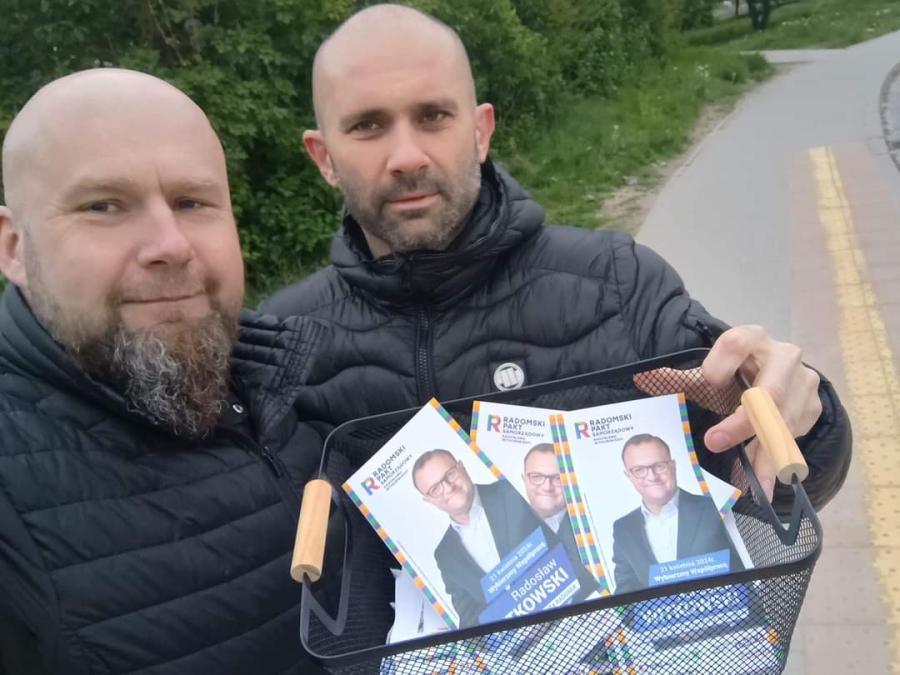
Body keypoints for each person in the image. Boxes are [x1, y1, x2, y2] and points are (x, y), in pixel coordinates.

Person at [262, 3, 850, 517]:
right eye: (367, 126)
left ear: (481, 131)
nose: (406, 156)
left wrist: (806, 423)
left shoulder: (618, 284)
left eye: (433, 116)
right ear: (324, 157)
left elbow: (763, 482)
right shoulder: (276, 349)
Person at [0, 70, 328, 675]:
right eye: (103, 206)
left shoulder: (288, 376)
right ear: (14, 247)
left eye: (192, 202)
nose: (171, 245)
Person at [412, 449, 553, 627]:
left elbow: (565, 538)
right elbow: (470, 621)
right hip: (520, 638)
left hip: (569, 607)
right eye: (435, 489)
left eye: (450, 474)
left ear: (462, 467)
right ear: (428, 500)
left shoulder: (511, 491)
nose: (448, 488)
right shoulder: (444, 555)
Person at [611, 434, 743, 595]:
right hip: (660, 612)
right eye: (639, 470)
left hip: (726, 607)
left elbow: (742, 565)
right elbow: (625, 592)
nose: (652, 477)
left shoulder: (713, 507)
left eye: (659, 466)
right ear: (629, 476)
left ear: (673, 466)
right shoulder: (622, 529)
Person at [521, 443, 581, 567]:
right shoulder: (506, 526)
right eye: (537, 477)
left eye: (558, 478)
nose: (547, 487)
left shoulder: (587, 529)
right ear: (524, 479)